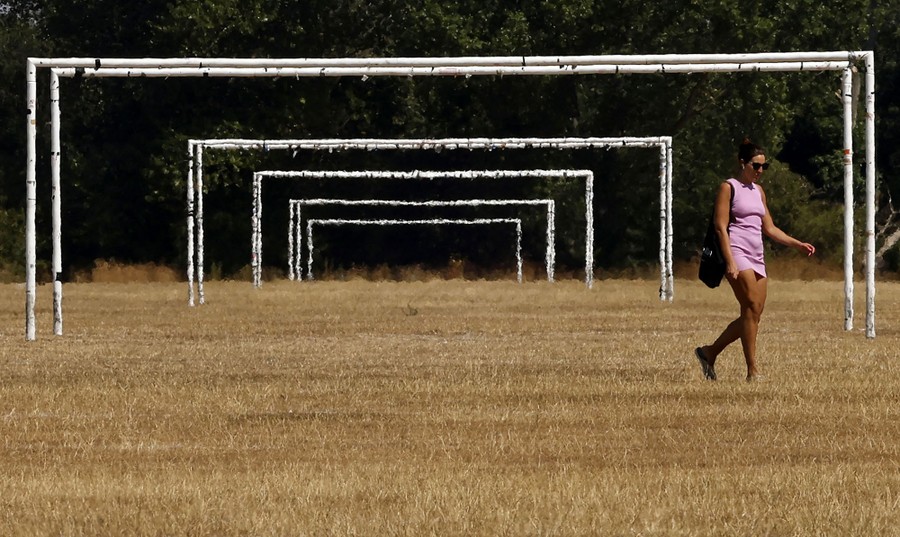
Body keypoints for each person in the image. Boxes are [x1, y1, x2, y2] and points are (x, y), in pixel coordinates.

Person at [694, 138, 815, 381]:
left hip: (757, 254)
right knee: (749, 305)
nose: (760, 171)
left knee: (754, 314)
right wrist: (730, 261)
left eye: (763, 167)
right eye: (756, 166)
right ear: (742, 163)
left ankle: (709, 352)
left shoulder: (758, 192)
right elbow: (720, 227)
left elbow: (769, 228)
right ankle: (753, 371)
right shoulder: (729, 187)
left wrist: (797, 243)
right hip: (737, 251)